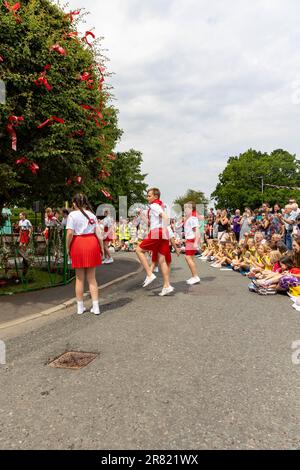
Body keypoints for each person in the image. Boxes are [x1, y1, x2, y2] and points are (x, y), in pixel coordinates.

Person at [66, 193, 103, 315]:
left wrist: (67, 247)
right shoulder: (92, 214)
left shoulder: (72, 215)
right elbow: (99, 234)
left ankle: (80, 307)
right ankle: (96, 306)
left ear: (74, 203)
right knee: (92, 278)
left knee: (79, 278)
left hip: (78, 244)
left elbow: (70, 233)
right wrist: (102, 248)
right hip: (92, 243)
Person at [136, 187, 174, 296]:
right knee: (162, 261)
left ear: (155, 196)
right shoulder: (159, 205)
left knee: (138, 250)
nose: (147, 197)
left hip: (157, 232)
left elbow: (166, 217)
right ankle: (166, 285)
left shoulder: (154, 205)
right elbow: (150, 222)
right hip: (163, 233)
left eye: (149, 195)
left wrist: (161, 229)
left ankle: (149, 274)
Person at [184, 202, 201, 285]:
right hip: (189, 240)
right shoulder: (190, 218)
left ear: (191, 209)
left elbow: (197, 230)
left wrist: (195, 242)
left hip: (191, 240)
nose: (185, 210)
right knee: (190, 258)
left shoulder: (193, 218)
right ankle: (194, 276)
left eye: (186, 208)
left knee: (188, 258)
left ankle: (195, 276)